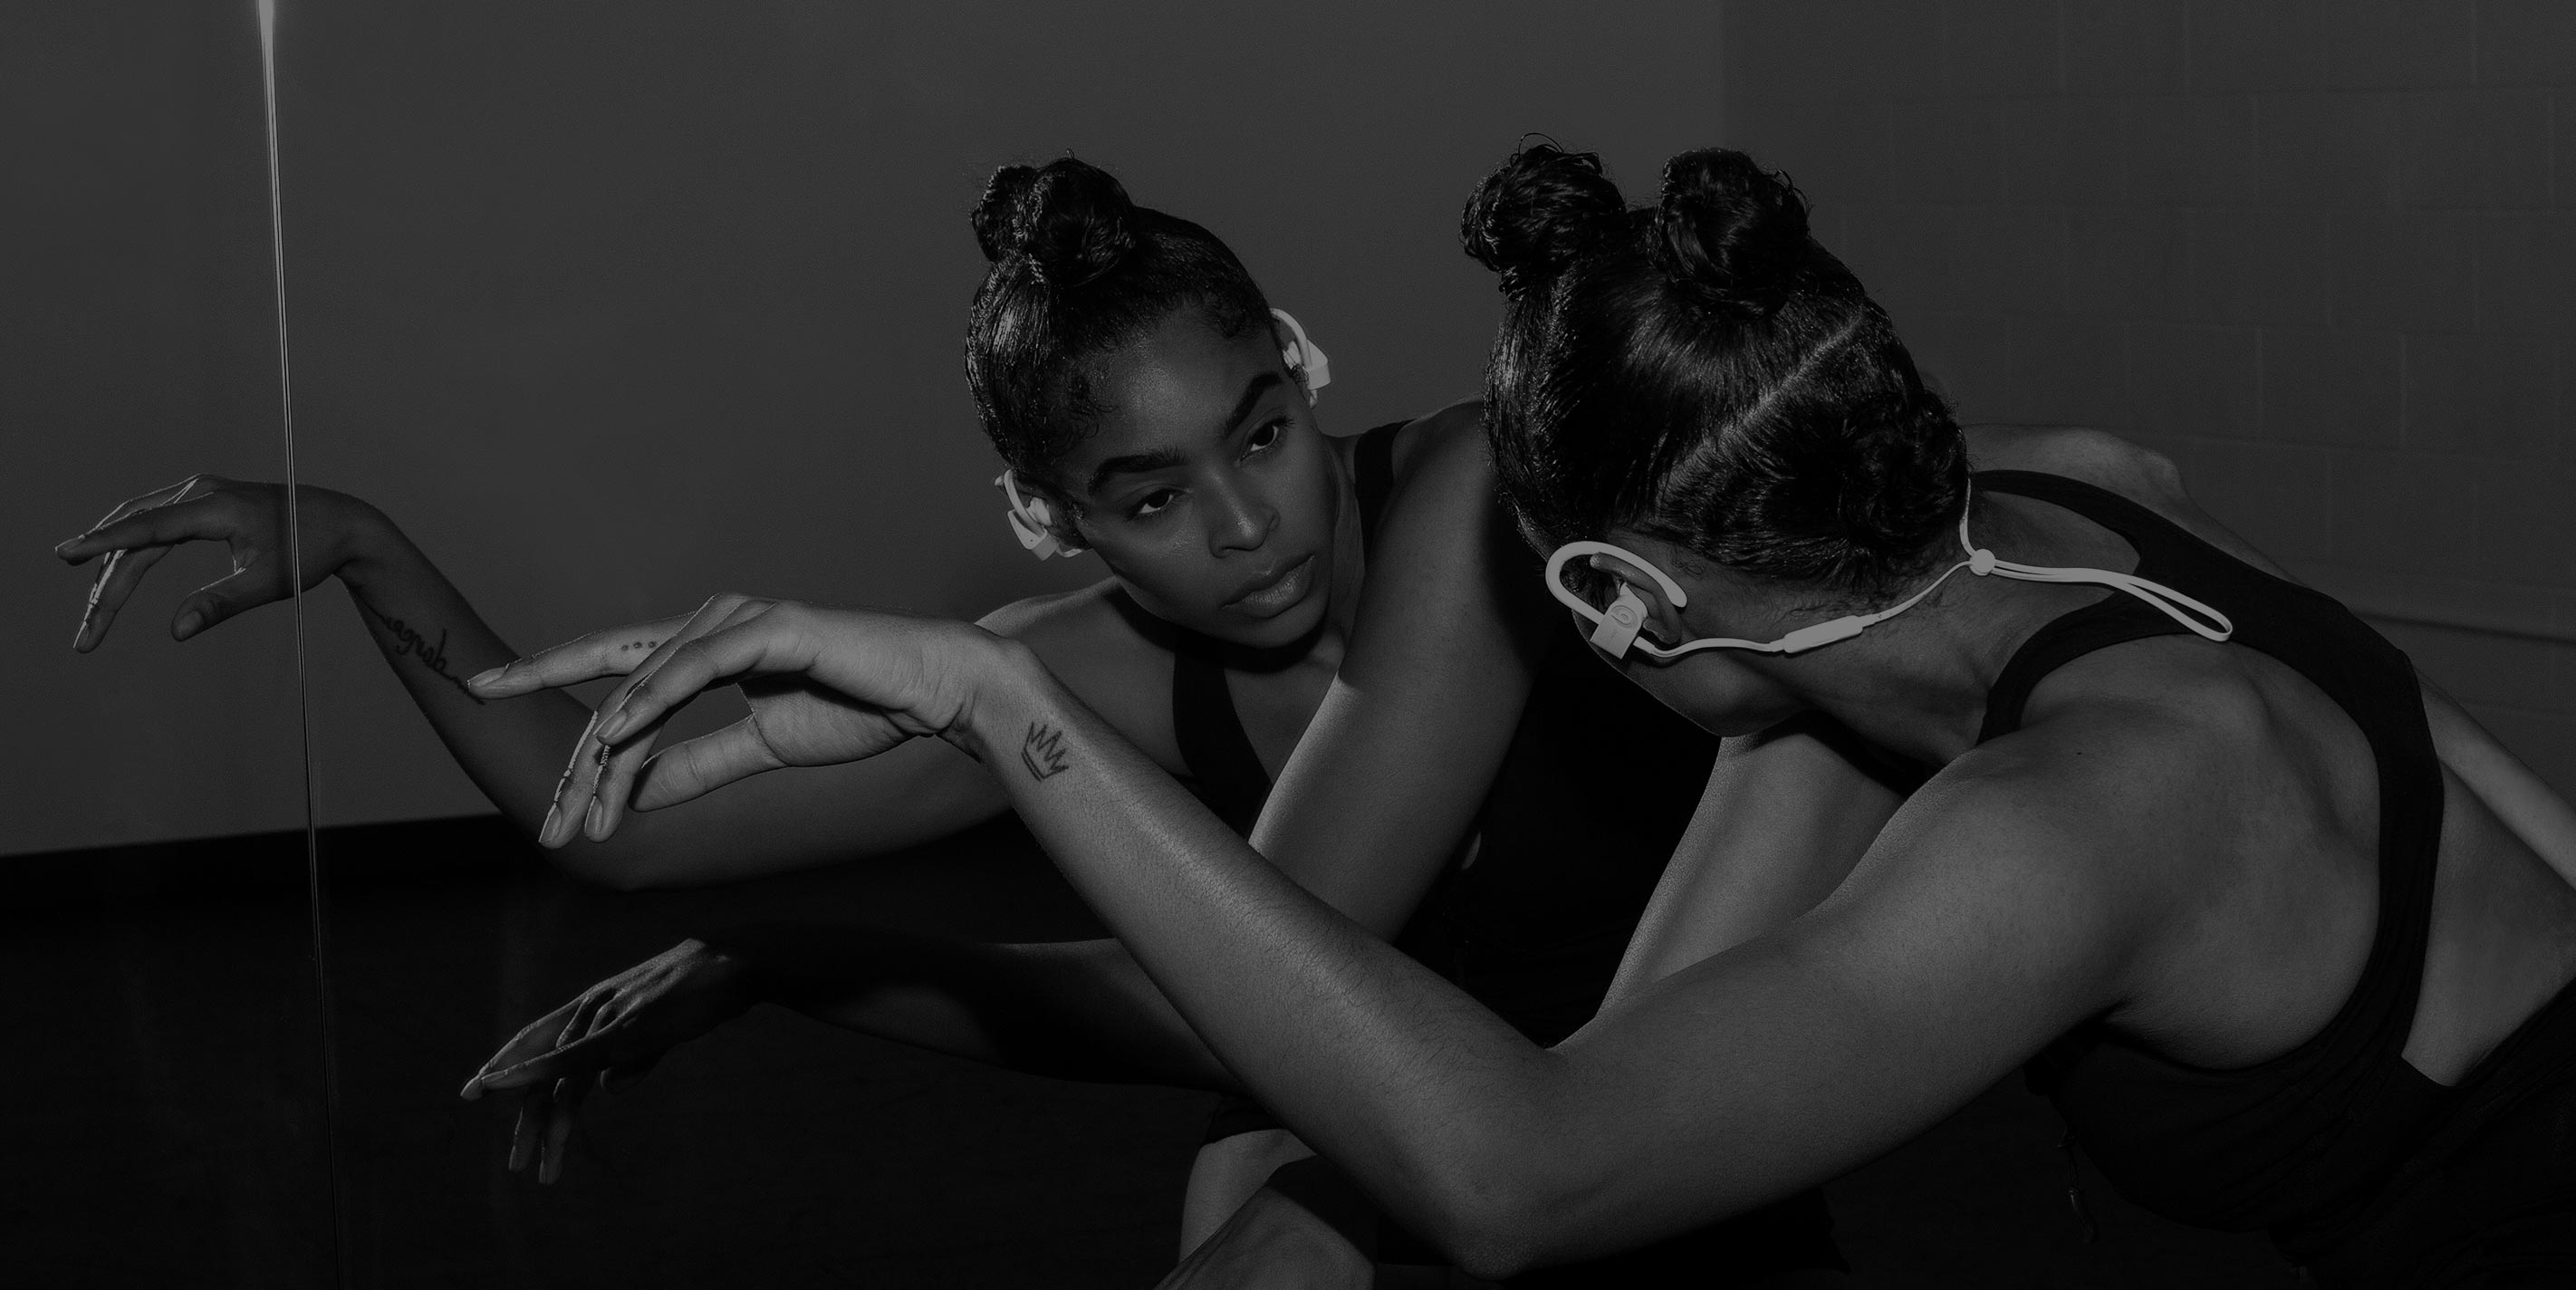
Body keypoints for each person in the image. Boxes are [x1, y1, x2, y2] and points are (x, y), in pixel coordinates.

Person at [466, 143, 2576, 1289]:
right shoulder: (2074, 518)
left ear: (1617, 599)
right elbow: (1603, 1075)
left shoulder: (2060, 824)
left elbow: (1523, 1176)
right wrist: (1288, 1221)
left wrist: (993, 698)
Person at [63, 157, 1862, 1283]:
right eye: (1149, 495)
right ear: (1047, 516)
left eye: (1258, 432)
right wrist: (369, 551)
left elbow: (1262, 971)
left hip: (1655, 1105)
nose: (1249, 527)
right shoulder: (1087, 667)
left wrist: (793, 959)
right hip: (1367, 1122)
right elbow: (606, 823)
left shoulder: (1475, 490)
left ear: (1300, 360)